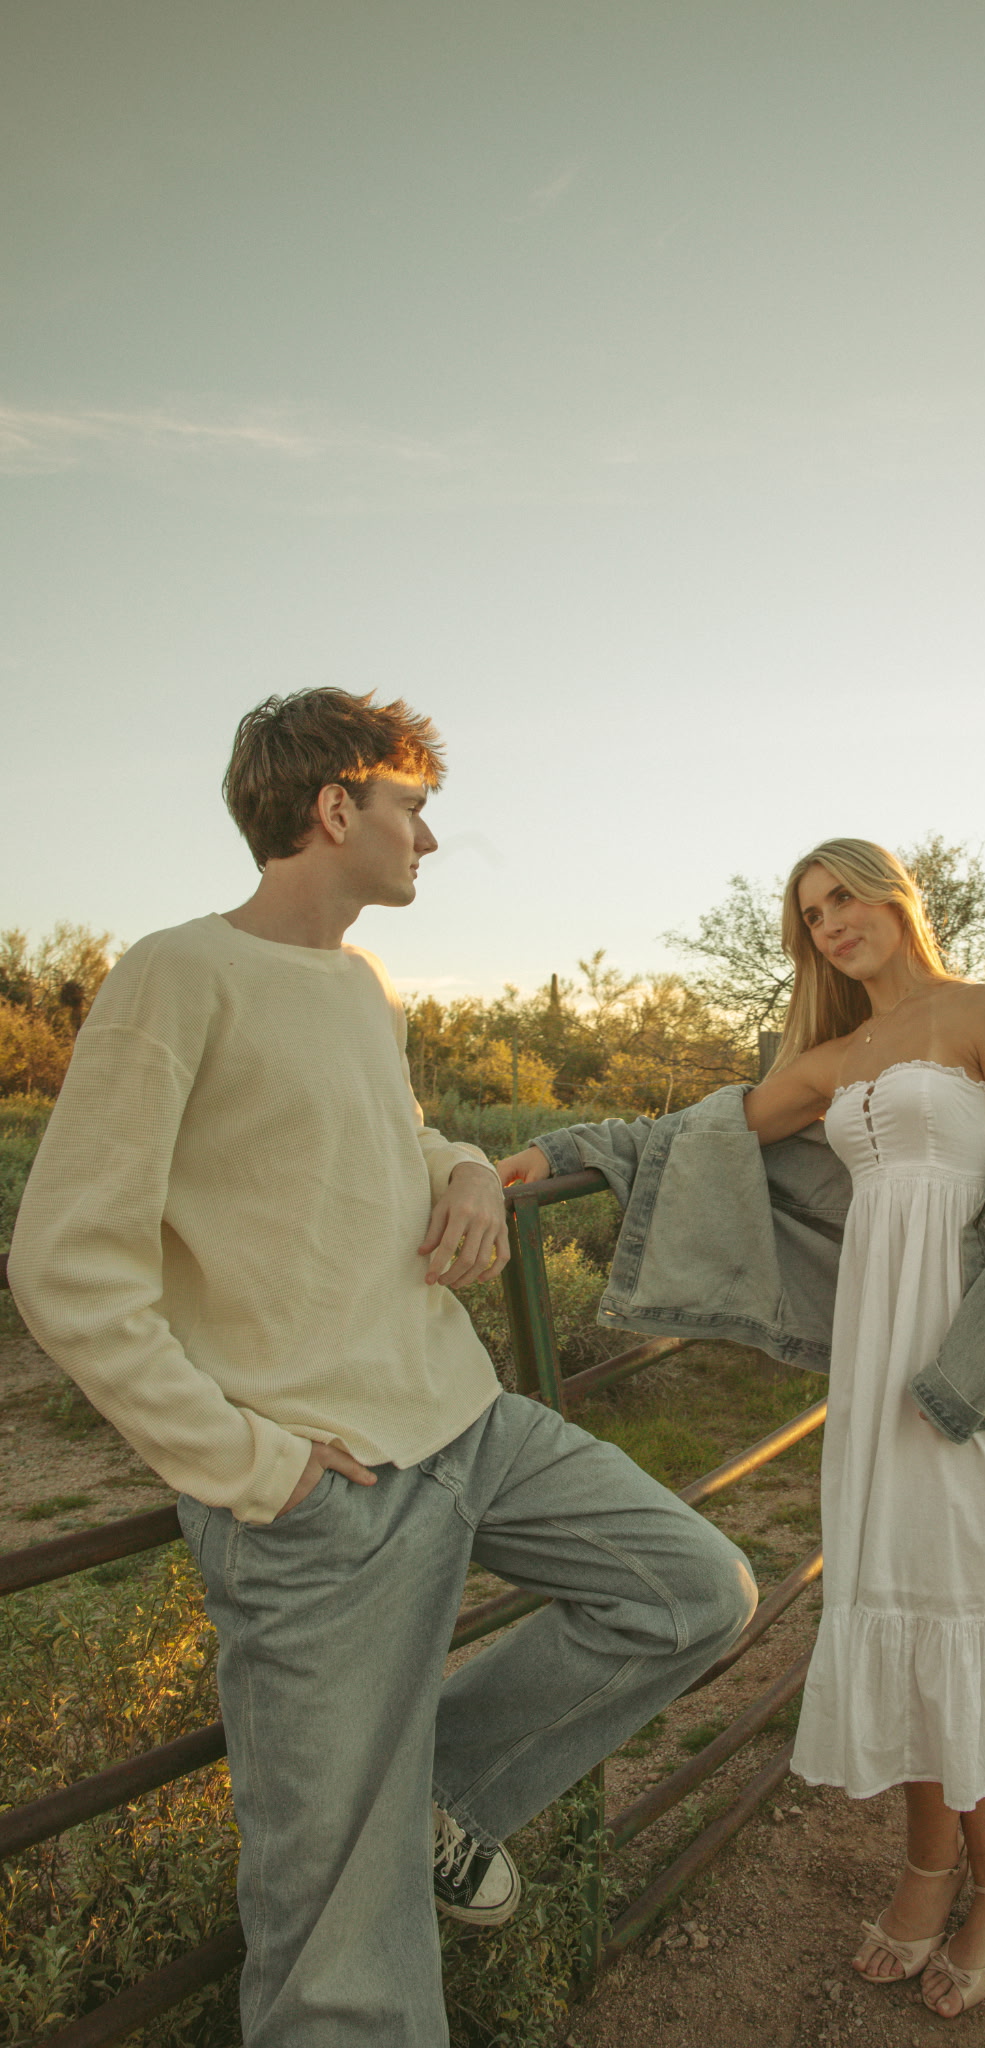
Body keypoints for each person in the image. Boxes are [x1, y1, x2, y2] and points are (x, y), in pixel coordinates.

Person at [8, 688, 755, 2048]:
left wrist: (465, 1163)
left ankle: (422, 1796)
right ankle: (375, 1836)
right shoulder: (174, 976)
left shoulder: (360, 984)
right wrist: (252, 1467)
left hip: (468, 1424)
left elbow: (386, 1140)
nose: (430, 835)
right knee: (342, 1971)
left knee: (694, 1591)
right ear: (333, 807)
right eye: (412, 804)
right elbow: (65, 1265)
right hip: (320, 1494)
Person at [500, 836, 985, 2024]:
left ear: (894, 895)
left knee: (964, 1599)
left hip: (971, 1363)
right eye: (810, 912)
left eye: (844, 896)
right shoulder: (831, 1059)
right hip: (875, 1367)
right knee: (893, 1593)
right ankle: (931, 1867)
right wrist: (563, 1149)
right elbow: (695, 1138)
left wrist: (971, 1375)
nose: (830, 922)